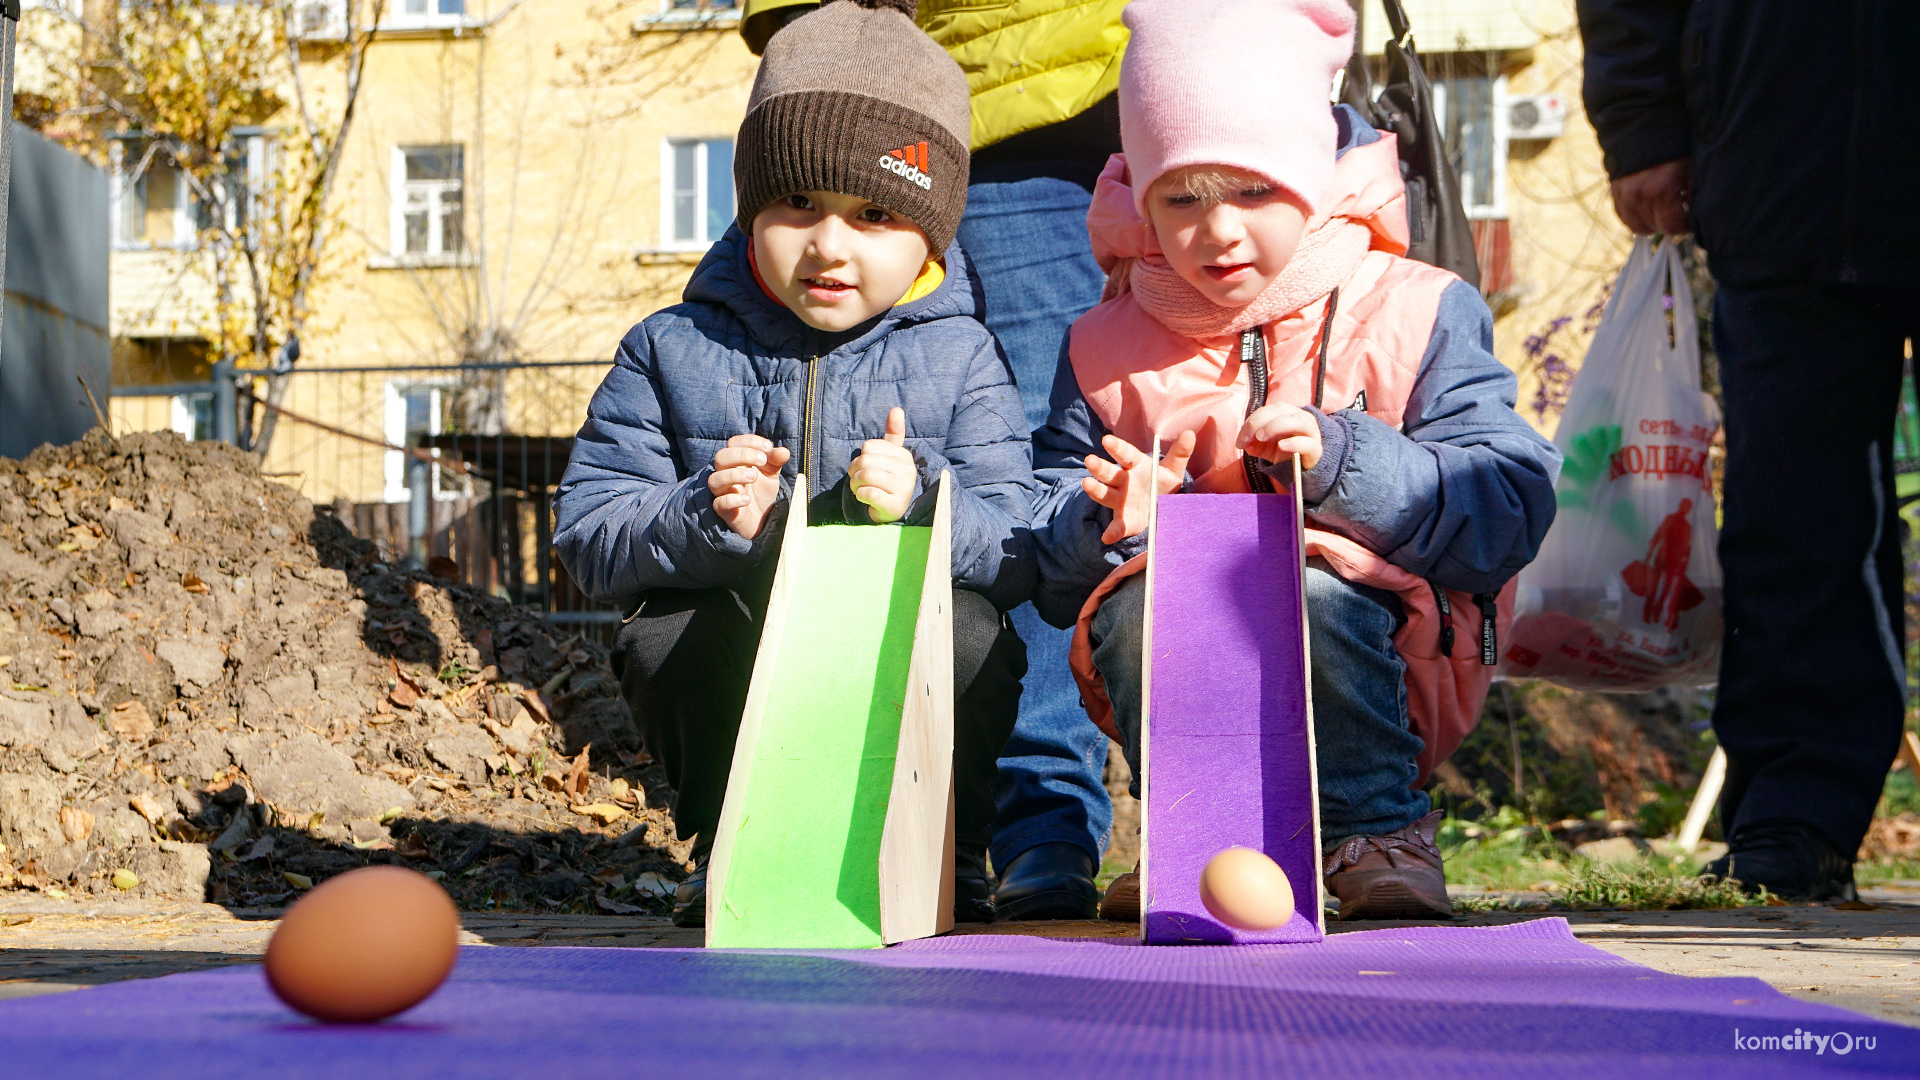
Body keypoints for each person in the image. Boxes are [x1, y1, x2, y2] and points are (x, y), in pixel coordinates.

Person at [1029, 0, 1561, 921]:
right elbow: (1039, 540)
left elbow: (1508, 501)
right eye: (1182, 197)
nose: (1218, 231)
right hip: (1194, 655)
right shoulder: (1102, 345)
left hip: (1398, 647)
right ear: (1143, 201)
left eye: (1253, 191)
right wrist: (1103, 521)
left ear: (1313, 181)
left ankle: (1375, 828)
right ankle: (1202, 838)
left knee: (1308, 588)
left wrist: (1349, 464)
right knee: (1143, 606)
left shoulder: (1415, 307)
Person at [554, 0, 1033, 927]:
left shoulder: (964, 354)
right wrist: (703, 512)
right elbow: (589, 531)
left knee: (971, 634)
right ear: (748, 203)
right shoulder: (669, 347)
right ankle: (730, 846)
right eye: (798, 202)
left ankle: (946, 852)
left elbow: (1020, 549)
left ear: (931, 233)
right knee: (664, 633)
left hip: (890, 651)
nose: (830, 245)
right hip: (745, 625)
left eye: (877, 213)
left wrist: (927, 505)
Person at [741, 0, 1128, 920]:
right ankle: (898, 827)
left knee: (1044, 477)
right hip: (902, 106)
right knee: (910, 448)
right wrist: (825, 40)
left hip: (1087, 95)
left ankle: (1037, 826)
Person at [1577, 0, 1920, 900]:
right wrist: (1643, 119)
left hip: (1777, 146)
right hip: (1781, 155)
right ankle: (1796, 816)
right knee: (1793, 509)